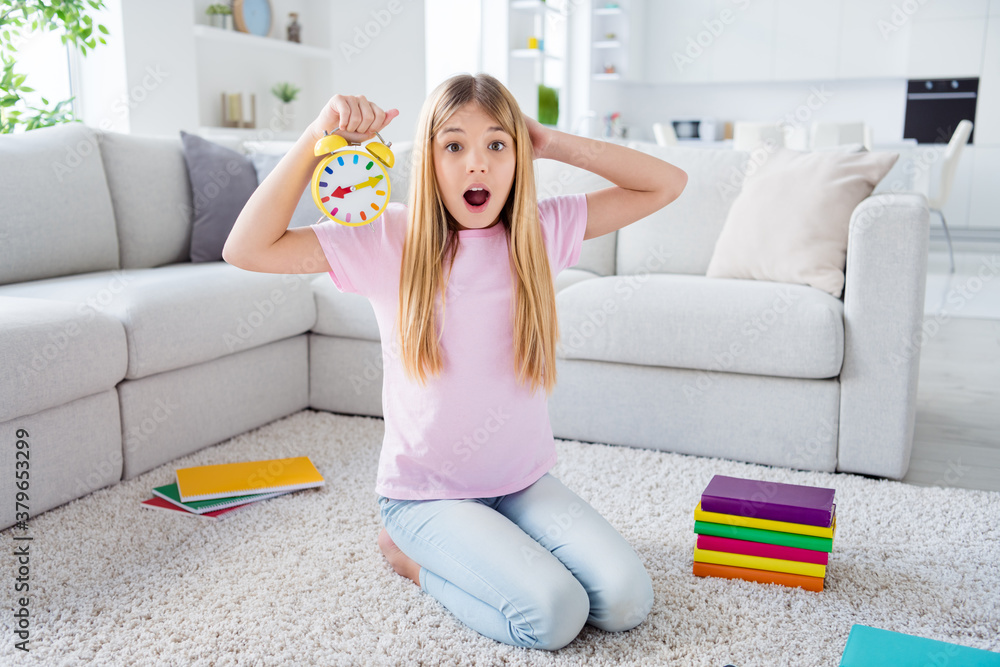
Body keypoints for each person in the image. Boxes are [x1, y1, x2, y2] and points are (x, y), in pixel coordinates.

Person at [223, 72, 688, 651]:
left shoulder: (541, 230)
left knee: (626, 601)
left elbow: (667, 183)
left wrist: (551, 140)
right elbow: (245, 248)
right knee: (554, 616)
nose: (478, 166)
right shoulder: (386, 237)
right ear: (429, 160)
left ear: (518, 157)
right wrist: (319, 132)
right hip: (427, 496)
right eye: (454, 146)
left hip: (521, 483)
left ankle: (494, 542)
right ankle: (412, 561)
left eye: (497, 144)